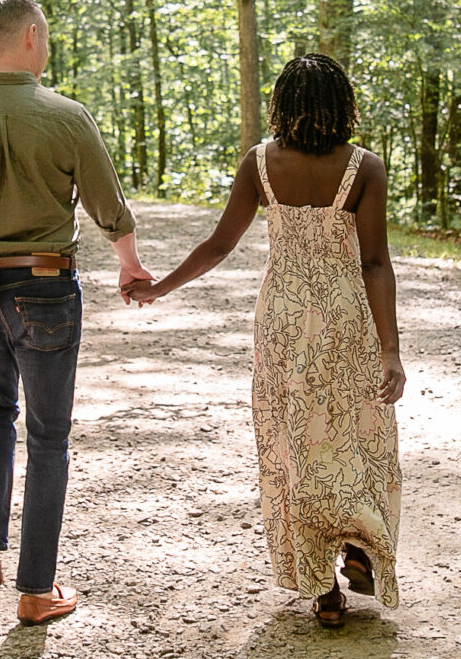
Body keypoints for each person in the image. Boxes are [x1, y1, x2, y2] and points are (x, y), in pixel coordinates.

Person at [130, 53, 404, 628]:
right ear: (340, 105)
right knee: (355, 433)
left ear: (284, 104)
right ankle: (357, 544)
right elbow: (376, 262)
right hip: (345, 318)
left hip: (281, 317)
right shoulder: (366, 168)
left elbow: (219, 244)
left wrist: (161, 287)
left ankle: (323, 588)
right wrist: (390, 350)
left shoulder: (260, 164)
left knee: (294, 441)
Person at [0, 0, 154, 625]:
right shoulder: (67, 116)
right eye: (43, 36)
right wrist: (129, 262)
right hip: (44, 288)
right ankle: (36, 589)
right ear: (29, 37)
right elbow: (108, 204)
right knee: (48, 436)